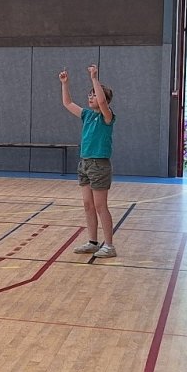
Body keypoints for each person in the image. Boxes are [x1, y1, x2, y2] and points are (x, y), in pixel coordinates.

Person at [59, 64, 116, 258]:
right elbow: (68, 103)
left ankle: (109, 245)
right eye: (89, 95)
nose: (91, 97)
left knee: (101, 206)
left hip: (99, 165)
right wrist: (65, 83)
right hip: (84, 163)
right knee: (87, 204)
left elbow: (102, 101)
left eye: (94, 95)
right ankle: (93, 242)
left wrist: (94, 78)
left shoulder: (107, 116)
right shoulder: (87, 115)